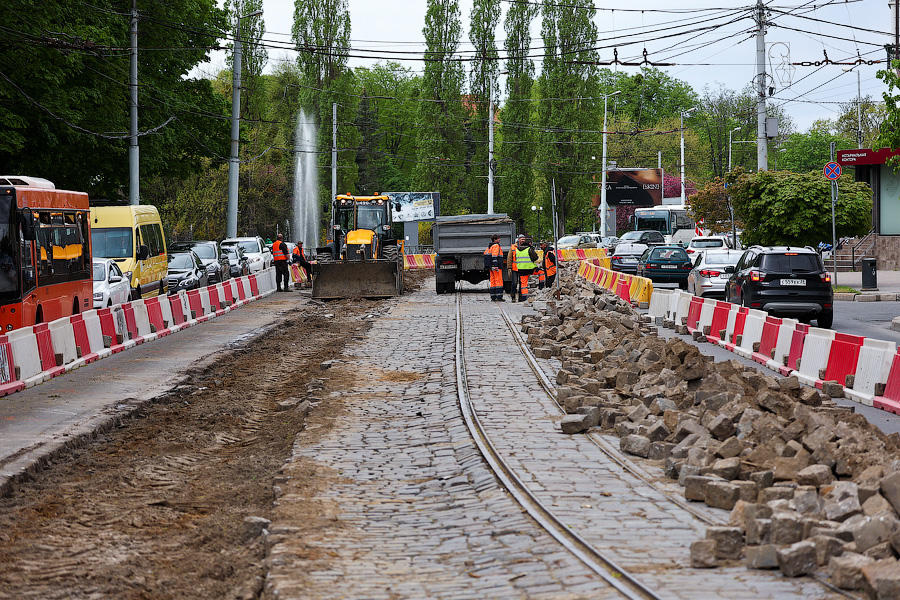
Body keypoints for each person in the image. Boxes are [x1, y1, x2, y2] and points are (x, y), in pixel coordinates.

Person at [515, 236, 539, 302]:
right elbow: (534, 258)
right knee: (541, 273)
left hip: (520, 269)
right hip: (530, 268)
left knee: (523, 284)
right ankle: (541, 286)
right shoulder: (529, 249)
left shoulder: (517, 249)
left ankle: (524, 297)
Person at [483, 234, 505, 301]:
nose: (500, 239)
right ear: (495, 239)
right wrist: (496, 266)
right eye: (498, 238)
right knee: (498, 281)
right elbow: (494, 256)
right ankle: (499, 296)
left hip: (491, 267)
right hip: (496, 267)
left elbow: (486, 255)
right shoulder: (496, 246)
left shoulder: (490, 246)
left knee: (493, 281)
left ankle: (493, 296)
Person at [507, 235, 523, 302]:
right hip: (515, 268)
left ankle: (520, 297)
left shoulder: (526, 247)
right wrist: (509, 268)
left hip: (523, 268)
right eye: (522, 239)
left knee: (522, 283)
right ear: (518, 240)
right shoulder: (513, 247)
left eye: (524, 239)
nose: (523, 240)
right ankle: (513, 297)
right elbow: (509, 258)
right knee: (514, 283)